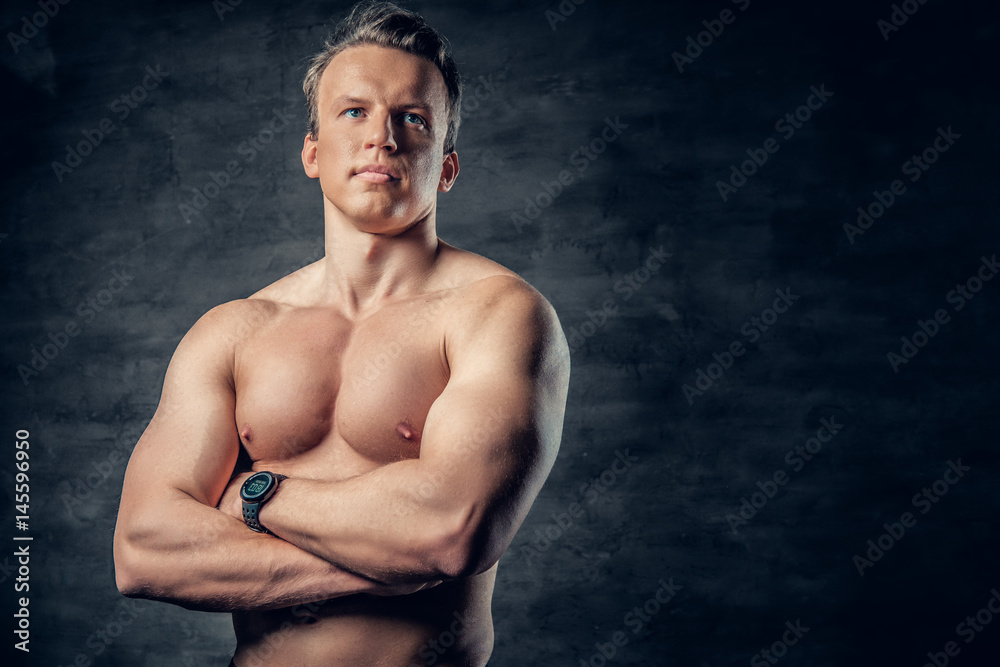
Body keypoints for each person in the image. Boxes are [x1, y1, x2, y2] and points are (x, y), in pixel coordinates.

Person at [112, 2, 570, 665]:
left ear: (446, 166)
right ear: (312, 151)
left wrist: (257, 493)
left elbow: (451, 531)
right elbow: (143, 549)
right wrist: (391, 561)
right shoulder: (233, 331)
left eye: (413, 119)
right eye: (354, 111)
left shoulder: (498, 314)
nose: (381, 136)